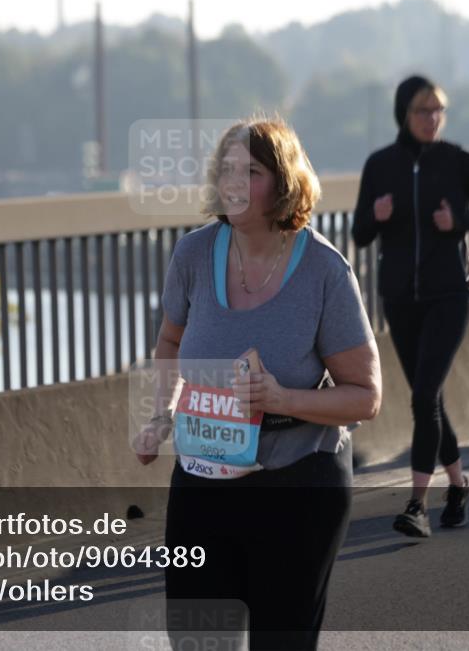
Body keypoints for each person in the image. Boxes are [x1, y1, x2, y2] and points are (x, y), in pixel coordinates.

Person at [132, 118, 381, 649]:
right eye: (226, 170)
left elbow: (366, 395)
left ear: (285, 183)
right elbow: (170, 344)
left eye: (250, 172)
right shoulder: (193, 254)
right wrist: (158, 417)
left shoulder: (324, 271)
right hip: (201, 482)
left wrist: (282, 398)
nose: (233, 184)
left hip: (297, 486)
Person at [352, 75, 469, 538]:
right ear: (404, 114)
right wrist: (375, 216)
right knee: (428, 397)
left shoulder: (457, 161)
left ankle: (417, 504)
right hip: (401, 299)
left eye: (438, 110)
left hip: (451, 294)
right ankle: (459, 487)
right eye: (423, 110)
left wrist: (457, 222)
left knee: (422, 397)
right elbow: (360, 233)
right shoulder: (380, 165)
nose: (432, 118)